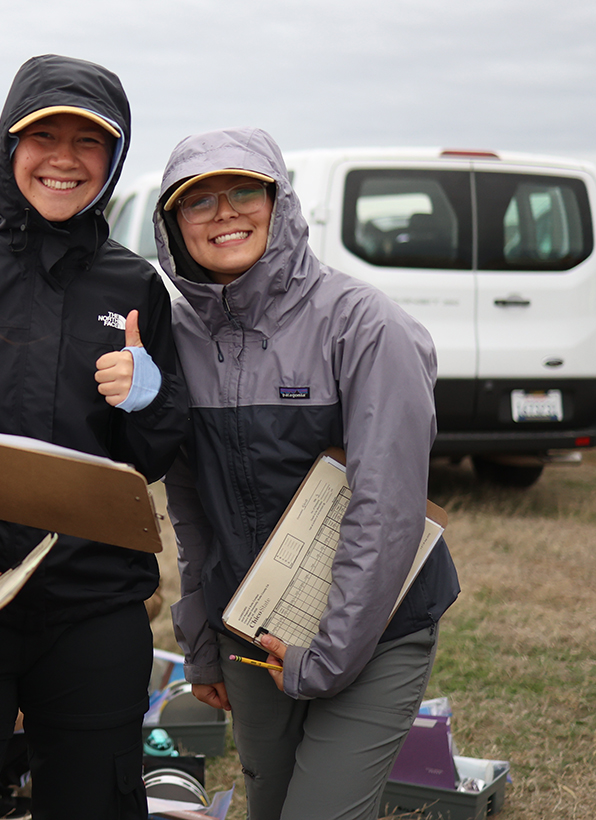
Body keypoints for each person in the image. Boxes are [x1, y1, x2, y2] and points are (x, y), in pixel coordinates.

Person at [0, 54, 187, 819]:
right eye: (43, 136)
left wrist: (148, 400)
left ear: (114, 158)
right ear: (7, 145)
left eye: (89, 142)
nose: (64, 159)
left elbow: (155, 454)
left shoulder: (134, 284)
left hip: (94, 604)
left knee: (94, 800)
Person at [155, 127, 461, 820]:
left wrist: (326, 656)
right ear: (173, 225)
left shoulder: (366, 326)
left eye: (243, 192)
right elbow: (192, 510)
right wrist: (201, 645)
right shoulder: (177, 339)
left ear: (280, 203)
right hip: (254, 633)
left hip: (375, 632)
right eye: (198, 201)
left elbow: (385, 509)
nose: (224, 213)